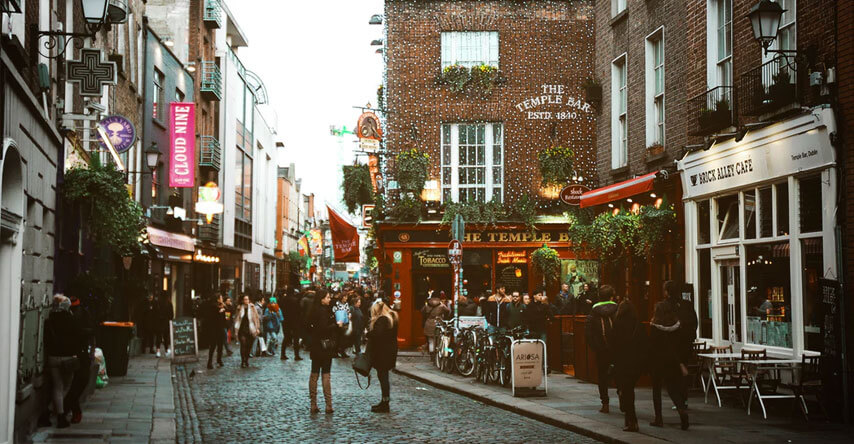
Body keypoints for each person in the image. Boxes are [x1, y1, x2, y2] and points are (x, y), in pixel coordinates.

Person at [649, 281, 689, 430]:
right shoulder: (678, 323)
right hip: (673, 359)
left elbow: (652, 344)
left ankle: (658, 418)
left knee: (656, 389)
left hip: (658, 359)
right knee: (672, 387)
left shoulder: (655, 326)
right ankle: (681, 410)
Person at [43, 295, 82, 428]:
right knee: (66, 386)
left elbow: (46, 340)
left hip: (53, 357)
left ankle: (48, 414)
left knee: (57, 387)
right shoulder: (72, 320)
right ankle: (59, 416)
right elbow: (78, 337)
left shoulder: (49, 320)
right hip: (68, 358)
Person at [610, 293, 646, 432]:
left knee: (626, 390)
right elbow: (644, 343)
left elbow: (612, 343)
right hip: (636, 362)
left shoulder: (617, 324)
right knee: (629, 388)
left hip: (622, 362)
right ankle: (629, 418)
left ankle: (631, 420)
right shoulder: (638, 323)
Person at [586, 285, 618, 413]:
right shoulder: (617, 308)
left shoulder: (594, 311)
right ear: (612, 296)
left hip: (601, 349)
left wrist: (595, 346)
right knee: (620, 372)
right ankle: (622, 396)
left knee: (602, 375)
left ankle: (605, 403)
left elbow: (588, 332)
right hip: (617, 348)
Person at [63, 293, 93, 424]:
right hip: (75, 354)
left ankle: (67, 409)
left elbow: (91, 333)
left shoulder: (80, 315)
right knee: (75, 384)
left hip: (78, 353)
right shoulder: (71, 316)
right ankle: (70, 410)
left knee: (77, 383)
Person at [308, 290, 338, 414]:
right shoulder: (323, 312)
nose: (329, 299)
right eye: (327, 297)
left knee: (314, 374)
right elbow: (324, 329)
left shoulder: (313, 310)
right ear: (321, 299)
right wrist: (337, 325)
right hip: (325, 347)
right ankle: (328, 405)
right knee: (326, 375)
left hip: (315, 346)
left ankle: (313, 404)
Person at [367, 299, 399, 413]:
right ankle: (384, 401)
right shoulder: (392, 318)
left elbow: (377, 334)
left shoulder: (382, 320)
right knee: (384, 377)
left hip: (382, 353)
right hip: (389, 351)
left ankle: (385, 403)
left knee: (383, 377)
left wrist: (368, 333)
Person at [234, 295, 261, 368]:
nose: (246, 301)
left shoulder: (252, 307)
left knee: (249, 345)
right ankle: (243, 361)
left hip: (250, 328)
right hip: (242, 328)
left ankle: (246, 360)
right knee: (243, 344)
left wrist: (257, 328)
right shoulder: (239, 308)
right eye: (245, 299)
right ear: (242, 300)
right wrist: (235, 327)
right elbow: (236, 318)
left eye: (247, 299)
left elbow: (256, 318)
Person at [205, 293, 227, 369]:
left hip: (220, 328)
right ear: (217, 299)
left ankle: (219, 359)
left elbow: (225, 314)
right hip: (214, 329)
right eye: (221, 298)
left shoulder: (222, 306)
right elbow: (214, 314)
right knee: (213, 345)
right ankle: (210, 362)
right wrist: (221, 310)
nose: (222, 299)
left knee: (220, 345)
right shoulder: (213, 306)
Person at [282, 288, 303, 360]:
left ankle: (282, 354)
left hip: (286, 320)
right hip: (295, 321)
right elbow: (299, 310)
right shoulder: (295, 300)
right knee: (296, 338)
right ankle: (296, 355)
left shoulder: (283, 300)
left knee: (286, 337)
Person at [154, 292, 174, 357]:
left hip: (158, 322)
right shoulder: (169, 304)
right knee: (166, 337)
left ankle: (158, 351)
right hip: (166, 322)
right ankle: (166, 350)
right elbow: (171, 315)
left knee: (158, 337)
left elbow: (154, 313)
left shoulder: (157, 303)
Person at [334, 293, 352, 358]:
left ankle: (342, 351)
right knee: (338, 337)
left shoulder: (346, 304)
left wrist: (349, 314)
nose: (346, 298)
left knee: (344, 338)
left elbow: (348, 311)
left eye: (346, 297)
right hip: (338, 322)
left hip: (345, 322)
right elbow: (334, 311)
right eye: (345, 297)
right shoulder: (337, 303)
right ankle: (336, 351)